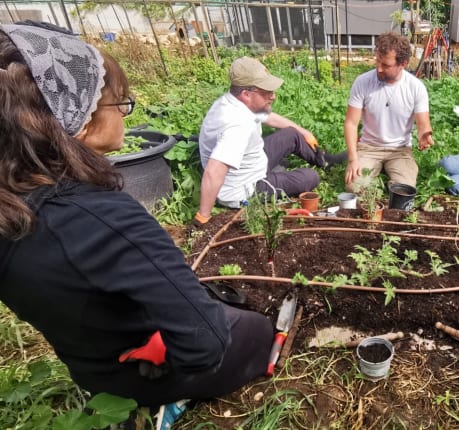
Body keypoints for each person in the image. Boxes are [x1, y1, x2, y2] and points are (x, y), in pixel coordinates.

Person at [0, 22, 274, 423]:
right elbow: (206, 346)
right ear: (85, 120)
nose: (126, 113)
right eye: (120, 103)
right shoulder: (107, 219)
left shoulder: (12, 204)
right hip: (147, 372)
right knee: (255, 330)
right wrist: (172, 344)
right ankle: (172, 401)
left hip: (92, 370)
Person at [195, 56, 345, 225]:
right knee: (310, 177)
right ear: (246, 94)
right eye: (267, 92)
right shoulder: (237, 126)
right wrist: (203, 216)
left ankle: (324, 161)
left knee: (292, 133)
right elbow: (214, 171)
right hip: (246, 188)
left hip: (252, 163)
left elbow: (269, 117)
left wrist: (304, 132)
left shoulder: (233, 102)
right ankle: (277, 174)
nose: (273, 96)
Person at [344, 32, 434, 193]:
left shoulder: (415, 87)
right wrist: (353, 159)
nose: (378, 68)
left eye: (385, 65)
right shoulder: (363, 82)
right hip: (368, 147)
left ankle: (392, 174)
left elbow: (423, 122)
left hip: (400, 150)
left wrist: (424, 134)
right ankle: (372, 172)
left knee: (404, 190)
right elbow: (351, 123)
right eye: (377, 61)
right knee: (353, 187)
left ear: (403, 64)